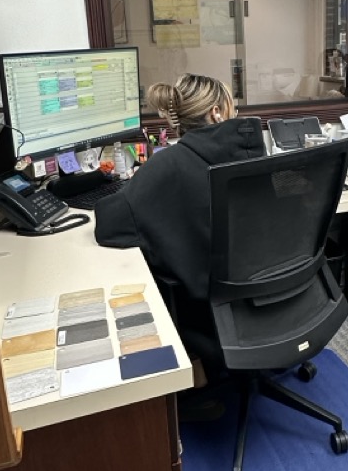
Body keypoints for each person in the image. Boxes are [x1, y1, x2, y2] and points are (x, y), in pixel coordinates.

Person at [94, 73, 266, 388]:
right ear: (216, 112)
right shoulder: (255, 153)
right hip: (271, 303)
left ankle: (195, 369)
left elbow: (110, 228)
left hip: (211, 316)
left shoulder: (166, 166)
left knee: (151, 265)